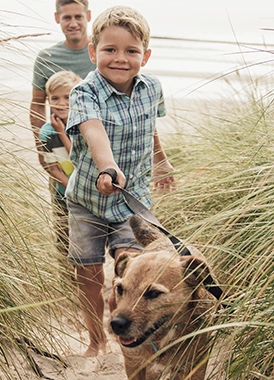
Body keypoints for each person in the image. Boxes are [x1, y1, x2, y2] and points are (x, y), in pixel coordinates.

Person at [64, 5, 175, 357]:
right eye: (110, 50)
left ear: (146, 55)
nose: (120, 59)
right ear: (93, 51)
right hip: (88, 200)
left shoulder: (151, 88)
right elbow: (93, 131)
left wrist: (161, 160)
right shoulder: (84, 92)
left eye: (131, 51)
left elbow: (149, 128)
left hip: (133, 200)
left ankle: (136, 332)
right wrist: (107, 168)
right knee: (89, 272)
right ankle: (96, 341)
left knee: (134, 266)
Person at [30, 0, 95, 173]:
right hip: (58, 143)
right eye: (67, 17)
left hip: (95, 145)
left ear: (88, 16)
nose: (73, 23)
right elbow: (37, 104)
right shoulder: (46, 58)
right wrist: (41, 147)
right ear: (57, 18)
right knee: (61, 194)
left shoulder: (101, 54)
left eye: (78, 16)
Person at [39, 70, 82, 255]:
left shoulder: (84, 124)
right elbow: (52, 167)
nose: (62, 103)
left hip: (88, 191)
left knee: (87, 237)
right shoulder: (47, 132)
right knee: (64, 237)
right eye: (55, 98)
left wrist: (62, 133)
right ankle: (67, 280)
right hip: (63, 192)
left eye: (68, 97)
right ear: (48, 100)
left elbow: (78, 157)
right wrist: (69, 188)